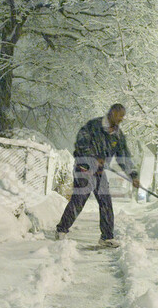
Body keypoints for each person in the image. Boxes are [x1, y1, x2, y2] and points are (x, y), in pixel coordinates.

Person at [56, 103, 140, 247]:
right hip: (84, 167)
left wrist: (133, 175)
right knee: (79, 199)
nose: (122, 119)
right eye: (120, 115)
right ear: (112, 113)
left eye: (123, 116)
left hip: (99, 172)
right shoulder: (93, 126)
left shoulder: (118, 136)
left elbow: (124, 157)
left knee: (105, 201)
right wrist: (93, 157)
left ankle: (106, 237)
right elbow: (81, 144)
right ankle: (61, 229)